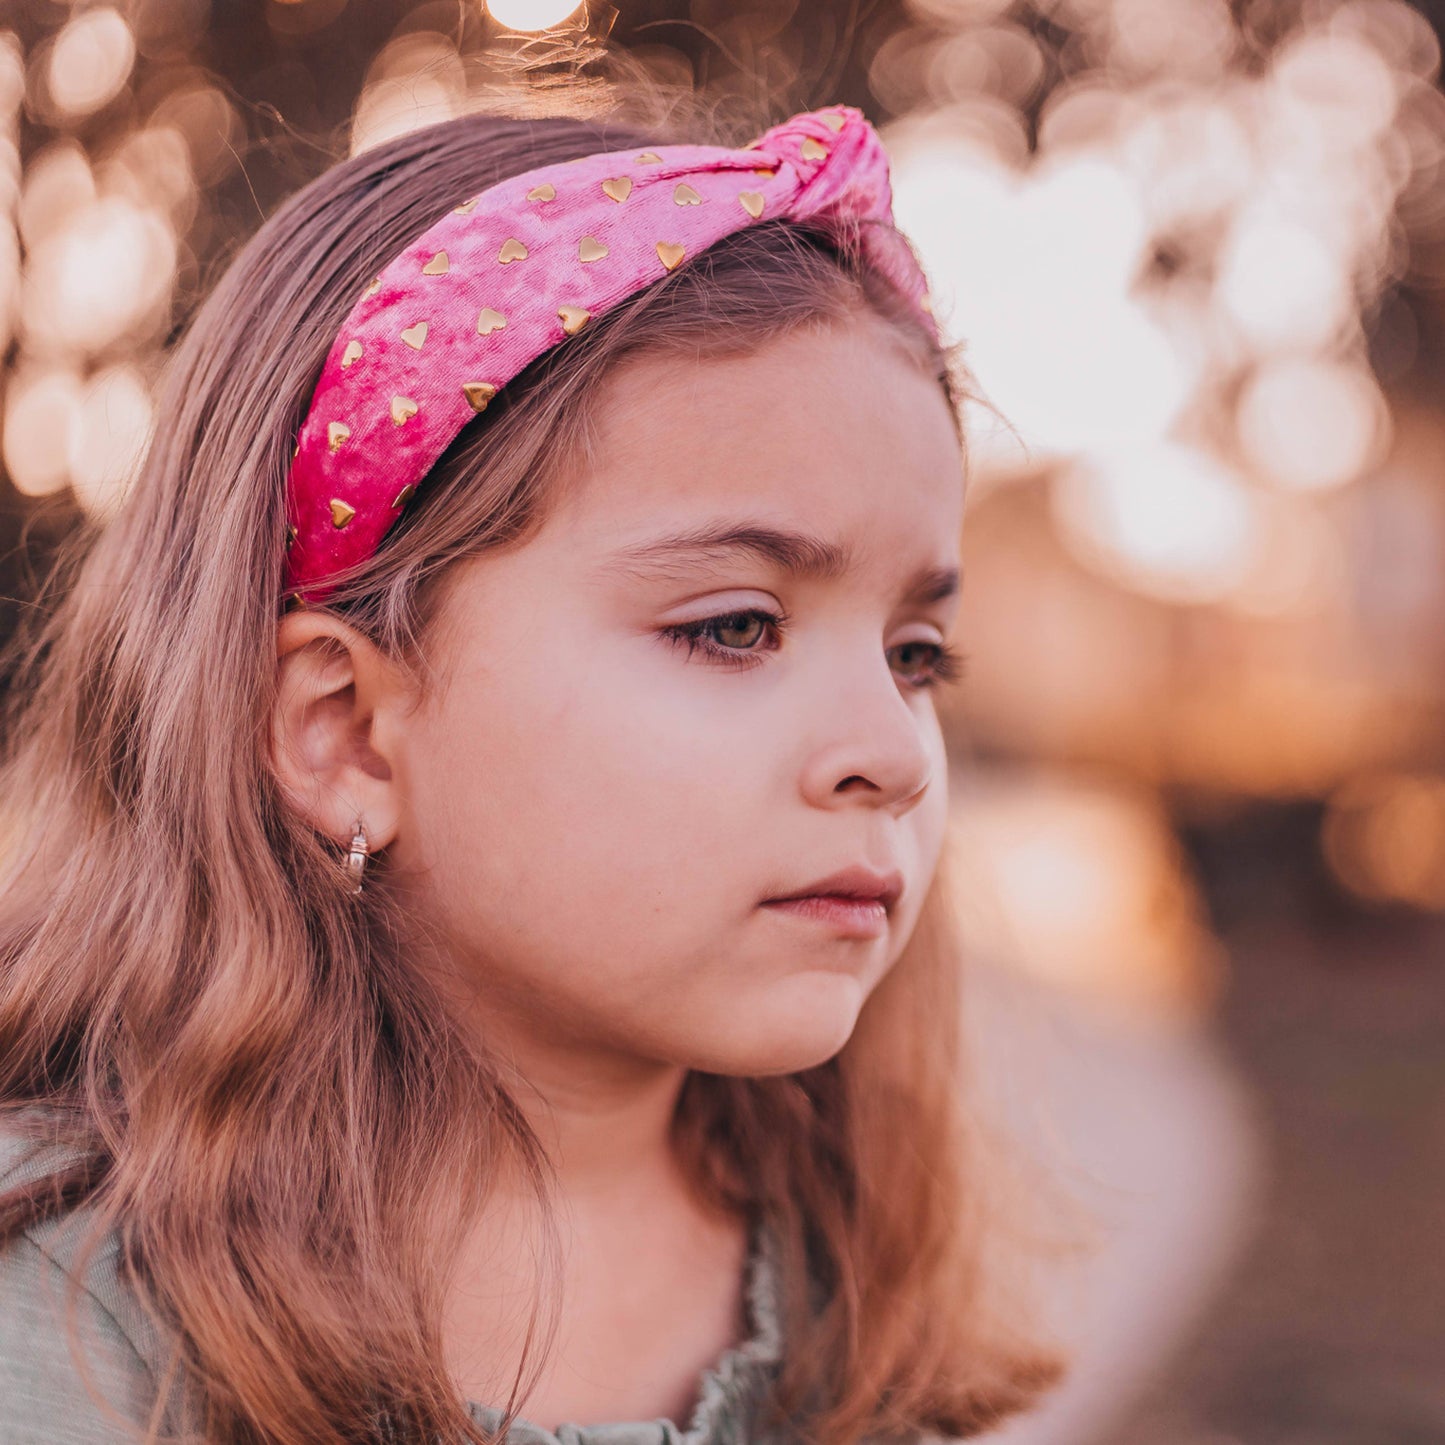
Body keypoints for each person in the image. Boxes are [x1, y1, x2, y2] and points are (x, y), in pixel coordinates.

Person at [0, 88, 1064, 1445]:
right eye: (733, 625)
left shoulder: (840, 1277)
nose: (889, 755)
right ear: (346, 731)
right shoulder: (64, 1307)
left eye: (917, 654)